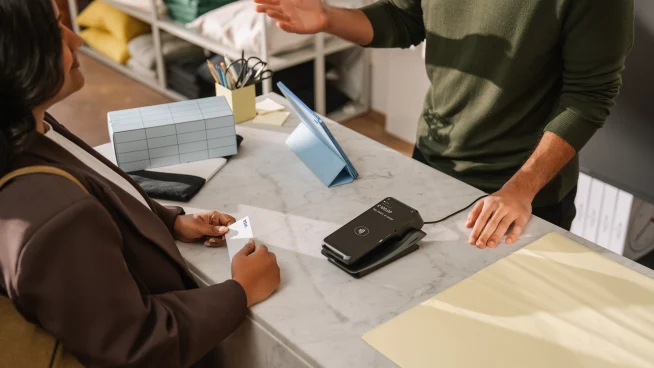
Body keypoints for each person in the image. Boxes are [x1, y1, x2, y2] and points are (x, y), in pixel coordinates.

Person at [0, 1, 280, 366]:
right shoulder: (55, 218)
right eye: (57, 30)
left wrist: (169, 221)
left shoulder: (30, 128)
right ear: (18, 58)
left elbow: (96, 185)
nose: (76, 41)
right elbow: (136, 345)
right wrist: (240, 291)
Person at [255, 0, 634, 248]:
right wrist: (328, 17)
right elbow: (403, 19)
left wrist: (520, 189)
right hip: (431, 163)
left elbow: (590, 96)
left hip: (520, 192)